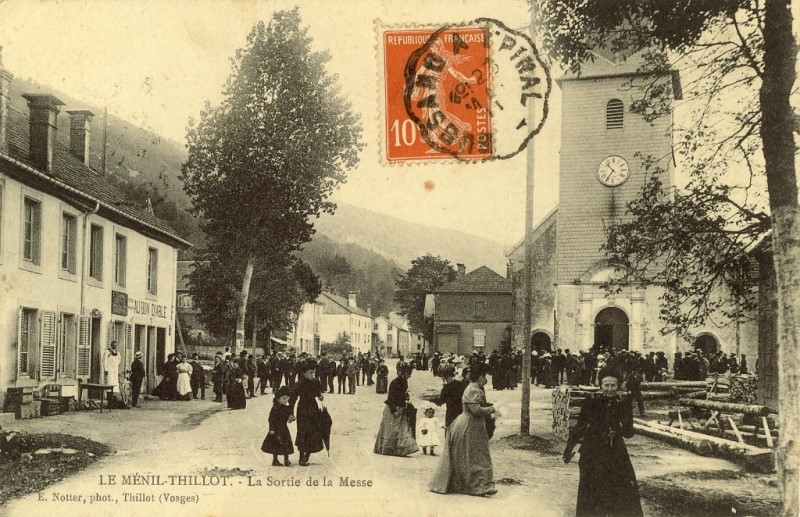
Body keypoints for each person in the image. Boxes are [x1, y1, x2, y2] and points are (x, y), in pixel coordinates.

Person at [563, 371, 643, 517]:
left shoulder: (623, 404)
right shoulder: (591, 403)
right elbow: (580, 427)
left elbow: (629, 434)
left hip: (615, 452)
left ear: (618, 386)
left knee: (620, 490)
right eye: (606, 385)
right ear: (600, 385)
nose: (610, 389)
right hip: (592, 452)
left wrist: (625, 418)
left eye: (613, 385)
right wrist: (569, 448)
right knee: (591, 491)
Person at [430, 363, 496, 497]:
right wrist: (494, 408)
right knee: (475, 455)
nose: (486, 379)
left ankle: (481, 484)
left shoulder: (475, 388)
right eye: (485, 376)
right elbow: (476, 411)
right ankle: (479, 485)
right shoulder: (472, 389)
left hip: (474, 425)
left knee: (475, 454)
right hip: (469, 425)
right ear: (480, 377)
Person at [374, 363, 419, 456]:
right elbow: (391, 397)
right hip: (393, 409)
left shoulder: (405, 382)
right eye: (409, 373)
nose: (410, 376)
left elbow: (401, 394)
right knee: (392, 431)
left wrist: (406, 397)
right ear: (404, 373)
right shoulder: (394, 382)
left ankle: (402, 450)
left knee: (402, 430)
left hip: (401, 409)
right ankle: (389, 450)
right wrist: (393, 410)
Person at [289, 358, 326, 466]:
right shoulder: (299, 384)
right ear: (304, 373)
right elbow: (292, 399)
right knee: (303, 432)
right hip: (303, 409)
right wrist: (291, 413)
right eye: (310, 372)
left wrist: (320, 396)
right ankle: (302, 456)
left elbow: (318, 393)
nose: (312, 374)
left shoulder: (316, 382)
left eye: (314, 372)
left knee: (313, 432)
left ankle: (307, 455)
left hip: (314, 409)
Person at [261, 386, 294, 467]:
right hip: (276, 429)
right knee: (275, 444)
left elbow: (288, 418)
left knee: (286, 443)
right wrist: (271, 429)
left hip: (284, 429)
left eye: (287, 398)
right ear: (278, 399)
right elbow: (271, 419)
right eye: (283, 398)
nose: (285, 400)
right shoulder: (275, 408)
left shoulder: (287, 408)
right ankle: (275, 459)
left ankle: (286, 459)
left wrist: (291, 418)